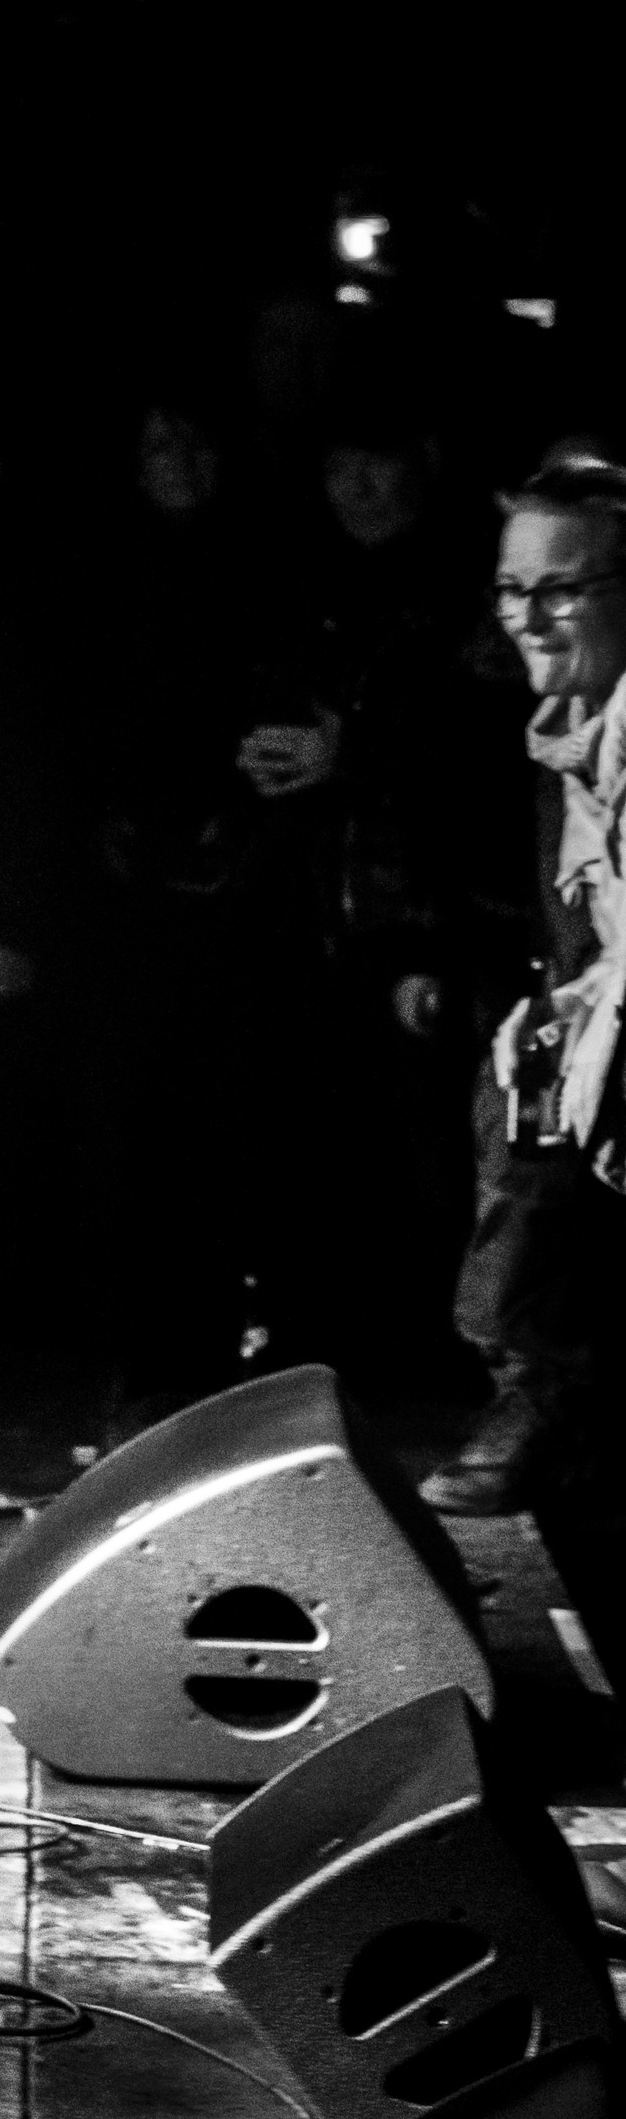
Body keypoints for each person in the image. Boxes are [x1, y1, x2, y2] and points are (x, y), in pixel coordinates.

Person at [421, 452, 626, 1517]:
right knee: (522, 1074)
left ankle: (556, 1400)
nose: (528, 617)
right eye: (512, 588)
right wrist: (563, 1005)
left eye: (560, 588)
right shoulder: (566, 735)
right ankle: (545, 1398)